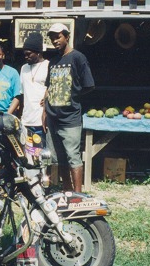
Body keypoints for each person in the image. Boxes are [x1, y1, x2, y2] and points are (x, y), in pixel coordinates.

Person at [43, 23, 95, 192]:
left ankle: (78, 195)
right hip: (53, 117)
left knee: (73, 157)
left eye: (58, 36)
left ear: (67, 36)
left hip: (70, 118)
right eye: (52, 37)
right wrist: (44, 113)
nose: (54, 40)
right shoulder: (53, 62)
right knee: (59, 159)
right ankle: (67, 191)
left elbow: (89, 85)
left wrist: (72, 96)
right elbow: (49, 88)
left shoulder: (78, 58)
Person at [9, 32, 49, 146]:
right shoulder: (24, 68)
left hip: (42, 120)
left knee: (41, 155)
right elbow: (21, 94)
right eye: (24, 54)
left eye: (29, 54)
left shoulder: (48, 66)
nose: (26, 57)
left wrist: (48, 97)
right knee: (29, 156)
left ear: (38, 52)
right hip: (26, 120)